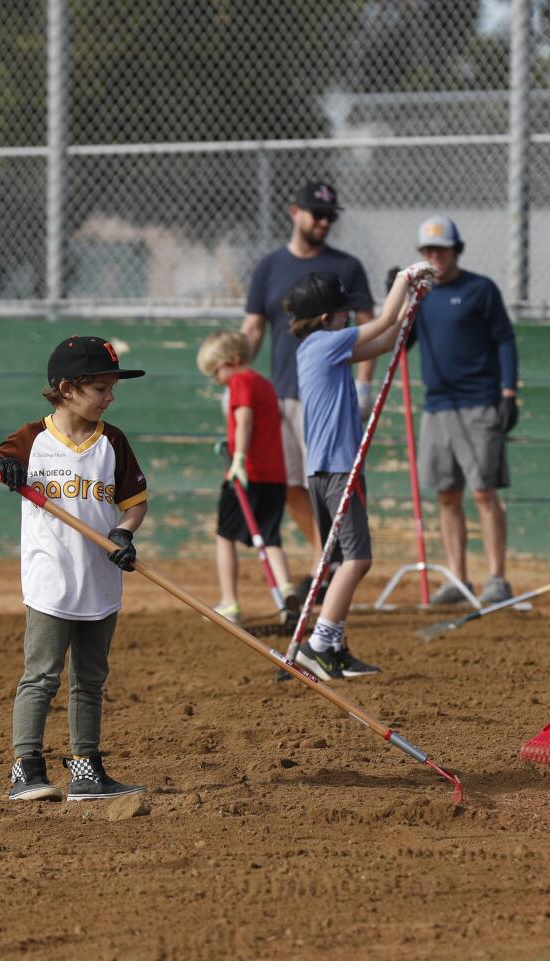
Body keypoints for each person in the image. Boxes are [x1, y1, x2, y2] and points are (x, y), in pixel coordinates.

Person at [0, 335, 150, 802]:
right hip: (50, 578)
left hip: (100, 577)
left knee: (90, 679)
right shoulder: (33, 438)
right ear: (68, 388)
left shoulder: (112, 441)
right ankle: (26, 768)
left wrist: (125, 533)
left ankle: (86, 770)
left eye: (112, 389)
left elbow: (135, 503)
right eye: (101, 389)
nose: (110, 398)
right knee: (42, 675)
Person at [287, 264, 433, 680]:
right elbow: (383, 321)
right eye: (343, 312)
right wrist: (403, 281)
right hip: (337, 471)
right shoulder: (323, 344)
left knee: (344, 562)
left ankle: (331, 645)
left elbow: (387, 339)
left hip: (327, 470)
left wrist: (411, 304)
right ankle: (319, 644)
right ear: (325, 318)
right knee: (359, 559)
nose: (350, 317)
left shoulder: (322, 347)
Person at [241, 181, 375, 577]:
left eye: (330, 217)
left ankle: (327, 566)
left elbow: (366, 327)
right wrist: (239, 376)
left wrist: (364, 385)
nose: (324, 222)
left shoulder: (346, 266)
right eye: (317, 214)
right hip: (278, 394)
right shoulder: (269, 267)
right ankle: (325, 560)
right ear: (294, 212)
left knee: (325, 482)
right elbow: (253, 328)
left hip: (322, 400)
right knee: (291, 486)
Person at [405, 216, 520, 606]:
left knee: (483, 491)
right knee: (446, 494)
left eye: (441, 249)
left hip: (478, 403)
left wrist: (507, 393)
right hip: (437, 405)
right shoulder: (419, 297)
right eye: (427, 251)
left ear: (456, 250)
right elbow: (401, 343)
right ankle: (457, 578)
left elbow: (504, 340)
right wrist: (399, 296)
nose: (434, 256)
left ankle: (497, 578)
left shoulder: (480, 290)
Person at [196, 330, 292, 623]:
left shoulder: (241, 381)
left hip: (246, 474)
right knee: (270, 538)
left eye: (217, 371)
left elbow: (244, 419)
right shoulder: (266, 384)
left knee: (225, 536)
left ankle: (230, 603)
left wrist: (238, 459)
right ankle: (288, 595)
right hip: (275, 476)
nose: (217, 379)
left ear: (235, 360)